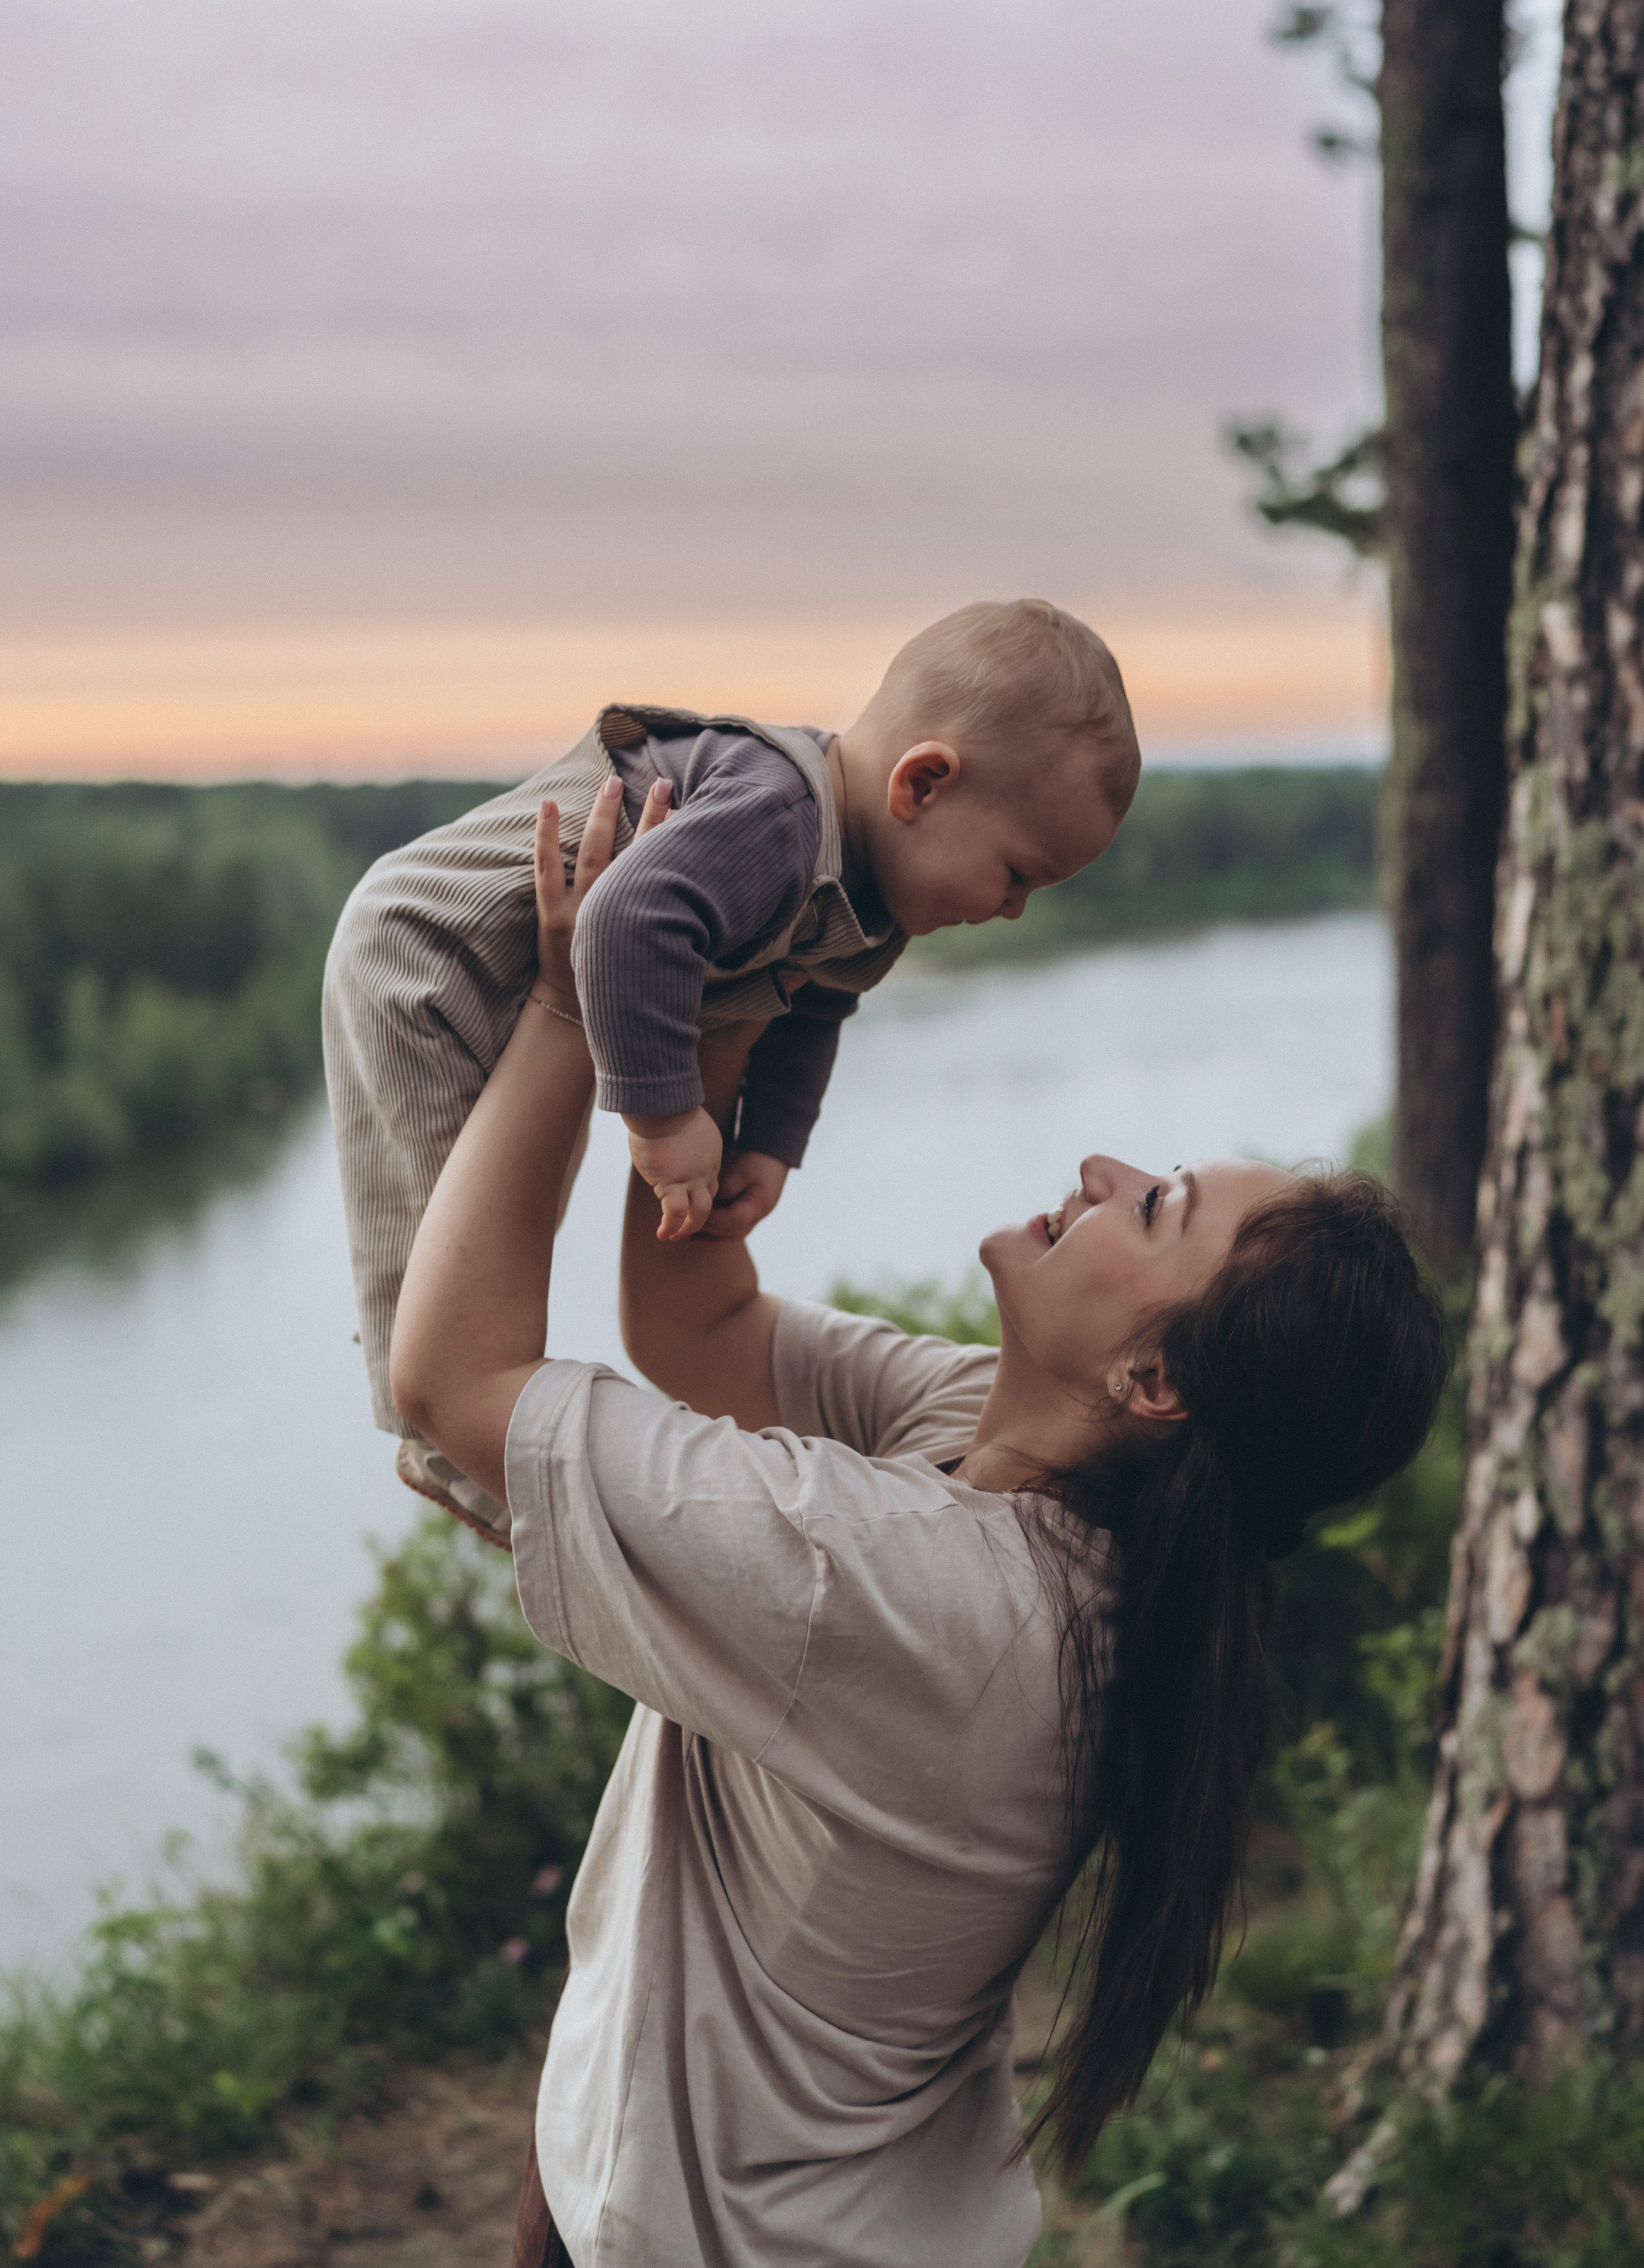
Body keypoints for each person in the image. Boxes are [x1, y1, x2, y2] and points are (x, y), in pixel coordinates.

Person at [388, 784, 1451, 2268]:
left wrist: (576, 1019)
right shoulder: (1011, 1454)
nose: (1099, 1168)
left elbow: (449, 1383)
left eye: (1154, 1209)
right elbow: (702, 1326)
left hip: (704, 2233)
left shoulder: (906, 1594)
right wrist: (720, 1027)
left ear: (1150, 1381)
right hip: (728, 2176)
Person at [326, 597, 1139, 1548]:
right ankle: (430, 1429)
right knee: (440, 1229)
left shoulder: (869, 901)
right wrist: (668, 1124)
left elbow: (814, 1000)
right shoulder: (780, 818)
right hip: (430, 958)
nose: (1012, 912)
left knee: (506, 1223)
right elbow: (626, 921)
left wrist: (771, 1142)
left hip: (525, 985)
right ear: (923, 784)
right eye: (1016, 874)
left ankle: (460, 1418)